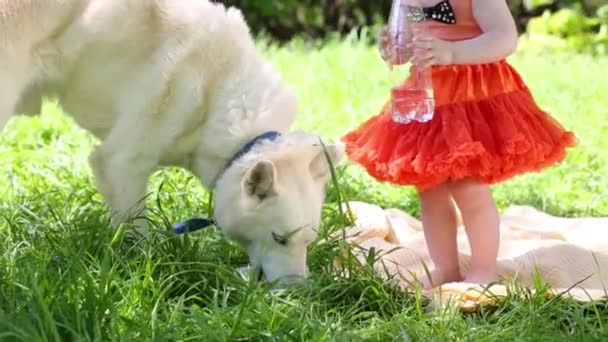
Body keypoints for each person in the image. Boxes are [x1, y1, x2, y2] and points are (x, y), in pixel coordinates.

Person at [342, 0, 577, 289]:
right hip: (429, 95)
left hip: (475, 94)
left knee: (468, 187)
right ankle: (446, 267)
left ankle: (484, 268)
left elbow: (504, 38)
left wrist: (452, 52)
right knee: (430, 189)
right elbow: (412, 44)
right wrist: (395, 49)